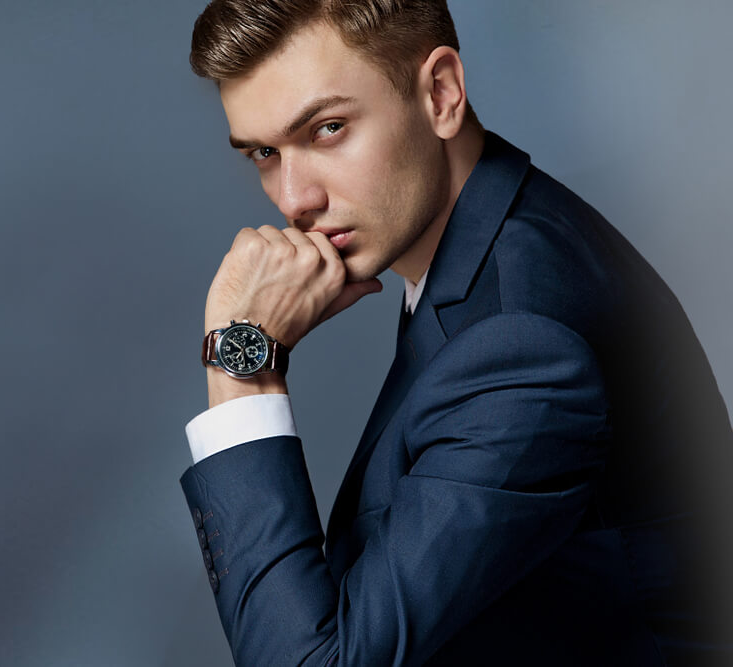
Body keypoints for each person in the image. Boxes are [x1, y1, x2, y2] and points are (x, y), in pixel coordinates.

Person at [179, 1, 733, 664]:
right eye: (265, 152)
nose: (294, 198)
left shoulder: (521, 345)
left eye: (328, 128)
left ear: (441, 93)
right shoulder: (487, 245)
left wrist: (242, 361)